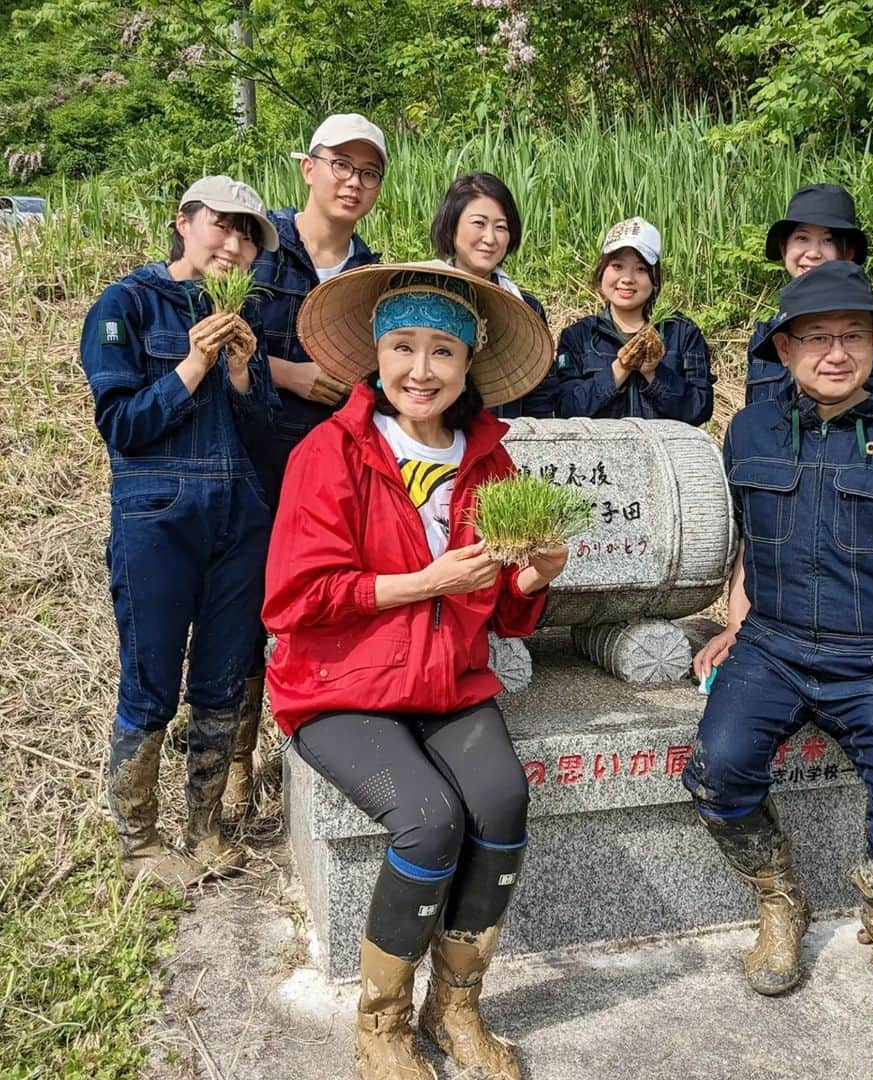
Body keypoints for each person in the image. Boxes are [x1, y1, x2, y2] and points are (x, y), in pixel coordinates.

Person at [262, 262, 567, 1080]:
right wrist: (426, 582)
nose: (421, 370)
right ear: (376, 352)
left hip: (447, 682)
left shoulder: (490, 464)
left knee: (502, 798)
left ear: (469, 365)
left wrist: (532, 576)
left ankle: (456, 1006)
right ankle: (382, 1026)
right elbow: (296, 598)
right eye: (403, 346)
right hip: (338, 687)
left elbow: (502, 611)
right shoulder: (330, 453)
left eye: (443, 351)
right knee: (429, 817)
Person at [683, 261, 873, 997]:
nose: (836, 352)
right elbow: (754, 535)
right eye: (815, 337)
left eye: (853, 335)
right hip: (773, 648)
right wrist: (736, 623)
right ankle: (779, 898)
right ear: (784, 349)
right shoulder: (750, 430)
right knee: (716, 772)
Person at [80, 176, 279, 887]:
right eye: (222, 225)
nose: (235, 242)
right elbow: (122, 426)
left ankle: (204, 828)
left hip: (240, 522)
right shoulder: (127, 304)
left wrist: (243, 372)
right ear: (183, 224)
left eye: (248, 233)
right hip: (157, 520)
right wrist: (194, 365)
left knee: (223, 678)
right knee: (151, 680)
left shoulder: (242, 323)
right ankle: (139, 842)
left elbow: (263, 437)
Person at [223, 113, 384, 818]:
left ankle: (306, 764)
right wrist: (281, 371)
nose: (353, 181)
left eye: (368, 171)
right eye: (340, 165)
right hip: (251, 458)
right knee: (244, 612)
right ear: (307, 168)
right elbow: (214, 332)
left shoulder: (371, 274)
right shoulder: (258, 249)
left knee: (317, 606)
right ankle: (234, 766)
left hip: (330, 472)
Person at [746, 184, 873, 404]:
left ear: (848, 253)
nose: (813, 253)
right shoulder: (764, 336)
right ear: (785, 248)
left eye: (828, 240)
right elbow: (755, 420)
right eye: (802, 238)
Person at [553, 216, 714, 425]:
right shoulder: (578, 336)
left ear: (654, 278)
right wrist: (620, 368)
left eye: (640, 269)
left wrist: (653, 373)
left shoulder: (683, 334)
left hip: (662, 454)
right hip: (601, 456)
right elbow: (565, 408)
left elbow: (700, 409)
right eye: (617, 266)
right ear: (602, 271)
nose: (628, 278)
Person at [430, 170, 556, 419]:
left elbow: (539, 395)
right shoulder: (422, 295)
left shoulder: (526, 308)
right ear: (451, 226)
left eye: (501, 227)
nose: (490, 238)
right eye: (478, 223)